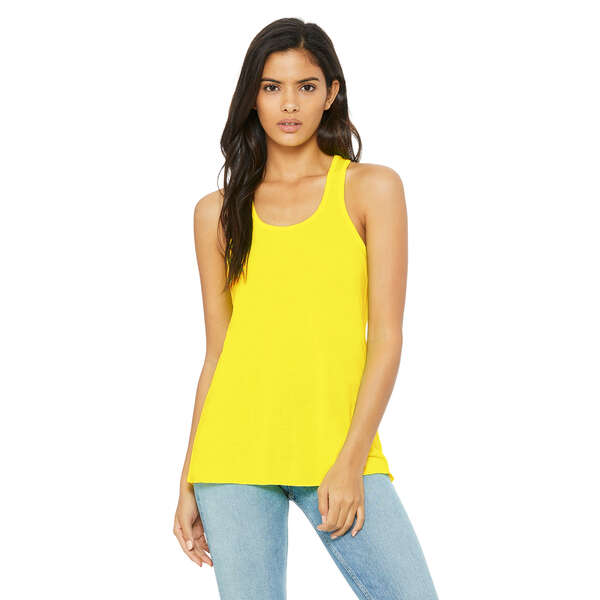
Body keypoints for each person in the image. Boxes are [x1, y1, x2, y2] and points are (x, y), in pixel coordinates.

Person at [174, 17, 439, 600]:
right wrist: (188, 477)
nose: (289, 104)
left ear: (331, 92)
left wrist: (351, 459)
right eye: (272, 87)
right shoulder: (216, 212)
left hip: (336, 447)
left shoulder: (371, 189)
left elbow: (386, 338)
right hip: (232, 454)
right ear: (252, 97)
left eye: (306, 86)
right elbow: (218, 353)